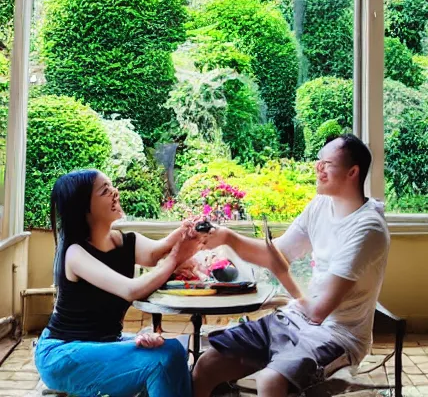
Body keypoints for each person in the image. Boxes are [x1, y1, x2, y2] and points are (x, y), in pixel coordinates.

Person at [193, 133, 390, 397]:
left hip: (338, 336)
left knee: (271, 381)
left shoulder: (367, 228)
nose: (317, 168)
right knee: (207, 364)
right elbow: (278, 253)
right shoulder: (320, 205)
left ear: (352, 172)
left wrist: (285, 277)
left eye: (326, 164)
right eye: (318, 161)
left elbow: (319, 312)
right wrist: (227, 237)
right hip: (295, 320)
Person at [34, 169, 203, 397]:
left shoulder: (121, 240)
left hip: (104, 343)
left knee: (173, 348)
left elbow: (154, 254)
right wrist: (176, 257)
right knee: (163, 359)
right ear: (84, 208)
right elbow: (131, 290)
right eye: (105, 191)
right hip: (63, 352)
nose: (115, 193)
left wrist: (184, 231)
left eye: (112, 186)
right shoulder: (75, 253)